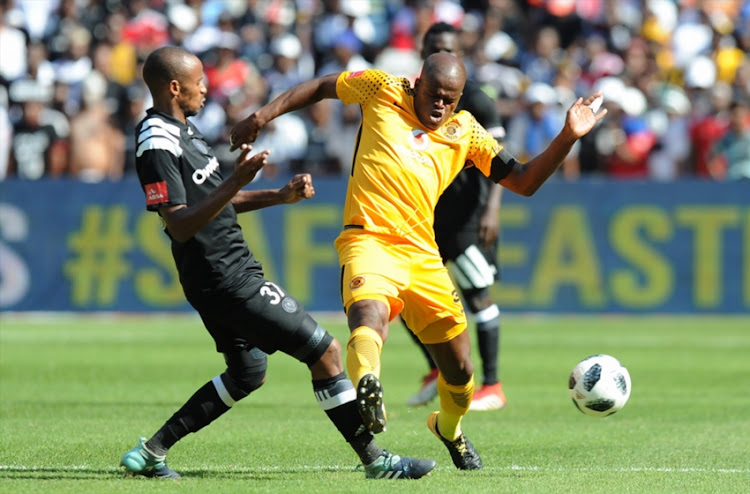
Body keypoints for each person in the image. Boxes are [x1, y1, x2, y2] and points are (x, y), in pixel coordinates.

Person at [230, 52, 606, 471]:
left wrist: (568, 136)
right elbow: (321, 86)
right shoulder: (380, 88)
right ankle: (367, 383)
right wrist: (262, 116)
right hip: (367, 239)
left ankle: (448, 428)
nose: (440, 105)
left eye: (450, 99)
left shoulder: (467, 133)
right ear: (416, 83)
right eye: (434, 94)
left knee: (461, 372)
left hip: (423, 257)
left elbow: (523, 181)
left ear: (460, 99)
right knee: (369, 316)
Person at [119, 46, 435, 480]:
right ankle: (377, 461)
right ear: (175, 87)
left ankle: (151, 452)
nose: (207, 89)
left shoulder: (185, 132)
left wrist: (278, 196)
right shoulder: (157, 140)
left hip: (220, 271)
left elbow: (217, 203)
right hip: (224, 275)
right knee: (325, 352)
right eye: (199, 83)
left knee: (248, 371)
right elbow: (179, 225)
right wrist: (234, 179)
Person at [404, 22, 507, 412]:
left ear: (460, 54)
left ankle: (493, 385)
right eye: (433, 48)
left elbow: (501, 160)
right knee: (403, 298)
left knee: (478, 297)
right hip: (425, 219)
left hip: (467, 218)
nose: (441, 53)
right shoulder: (411, 96)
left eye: (447, 48)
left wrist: (493, 209)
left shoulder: (477, 101)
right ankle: (436, 369)